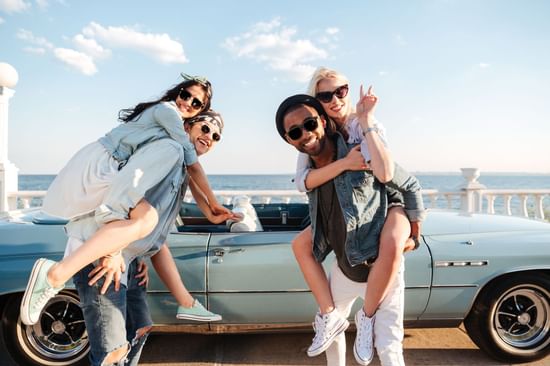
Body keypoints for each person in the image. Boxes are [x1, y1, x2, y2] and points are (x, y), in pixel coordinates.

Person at [20, 73, 232, 327]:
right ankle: (55, 274)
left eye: (196, 103)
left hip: (112, 171)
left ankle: (186, 302)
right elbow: (185, 167)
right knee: (147, 219)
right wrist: (115, 249)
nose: (187, 102)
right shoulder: (170, 131)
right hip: (102, 163)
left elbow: (189, 177)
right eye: (186, 95)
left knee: (150, 223)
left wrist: (210, 211)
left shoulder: (169, 146)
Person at [68, 110, 231, 366]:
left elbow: (161, 215)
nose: (210, 136)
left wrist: (140, 253)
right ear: (186, 126)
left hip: (130, 259)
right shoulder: (166, 152)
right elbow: (122, 198)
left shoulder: (181, 167)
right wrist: (115, 252)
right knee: (111, 353)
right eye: (205, 128)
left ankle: (185, 303)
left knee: (139, 329)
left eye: (216, 135)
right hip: (107, 259)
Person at [275, 94, 426, 366]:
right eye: (296, 132)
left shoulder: (361, 151)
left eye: (310, 124)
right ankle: (330, 316)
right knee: (332, 337)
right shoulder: (309, 170)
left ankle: (365, 319)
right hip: (345, 269)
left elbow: (408, 184)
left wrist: (414, 233)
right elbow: (305, 186)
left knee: (389, 347)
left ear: (322, 120)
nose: (306, 134)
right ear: (289, 140)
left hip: (382, 268)